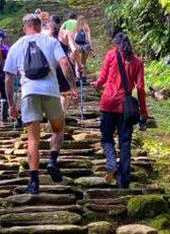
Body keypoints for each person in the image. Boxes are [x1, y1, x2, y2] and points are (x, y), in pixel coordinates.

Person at [4, 14, 76, 194]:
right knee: (59, 130)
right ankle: (52, 160)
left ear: (24, 28)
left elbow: (8, 78)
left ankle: (34, 182)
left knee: (33, 138)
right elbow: (65, 64)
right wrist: (73, 87)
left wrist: (12, 105)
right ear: (40, 25)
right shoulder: (51, 42)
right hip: (51, 92)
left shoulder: (16, 46)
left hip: (29, 93)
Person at [90, 33, 148, 189]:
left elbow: (101, 80)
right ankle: (124, 182)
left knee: (106, 138)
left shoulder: (111, 55)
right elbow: (141, 88)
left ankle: (111, 165)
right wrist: (144, 112)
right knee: (125, 144)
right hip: (126, 108)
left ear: (115, 44)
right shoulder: (137, 62)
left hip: (108, 104)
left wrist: (95, 84)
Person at [45, 15, 78, 114]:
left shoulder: (44, 34)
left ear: (49, 24)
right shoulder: (66, 33)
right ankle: (61, 118)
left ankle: (51, 119)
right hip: (63, 65)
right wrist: (79, 64)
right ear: (60, 24)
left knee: (51, 94)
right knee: (63, 94)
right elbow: (75, 49)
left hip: (49, 66)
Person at [68, 15, 92, 81]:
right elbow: (89, 39)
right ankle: (84, 77)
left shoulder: (75, 28)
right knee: (83, 63)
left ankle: (78, 77)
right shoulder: (87, 28)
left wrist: (72, 46)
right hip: (85, 46)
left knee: (77, 63)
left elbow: (72, 38)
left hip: (77, 46)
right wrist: (91, 47)